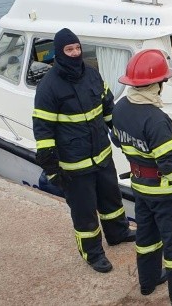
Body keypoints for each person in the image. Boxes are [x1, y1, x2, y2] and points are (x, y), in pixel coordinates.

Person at [112, 49, 172, 305]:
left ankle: (148, 281)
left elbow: (119, 141)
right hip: (165, 193)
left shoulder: (120, 108)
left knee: (146, 236)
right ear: (154, 85)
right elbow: (170, 164)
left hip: (140, 187)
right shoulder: (157, 119)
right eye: (162, 82)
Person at [32, 28, 135, 273]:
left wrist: (119, 134)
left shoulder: (92, 74)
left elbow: (108, 107)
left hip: (102, 155)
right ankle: (92, 253)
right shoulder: (48, 87)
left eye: (77, 48)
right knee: (84, 212)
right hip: (74, 165)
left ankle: (118, 232)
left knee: (112, 200)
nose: (75, 53)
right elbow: (43, 130)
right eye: (69, 50)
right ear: (59, 53)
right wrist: (51, 167)